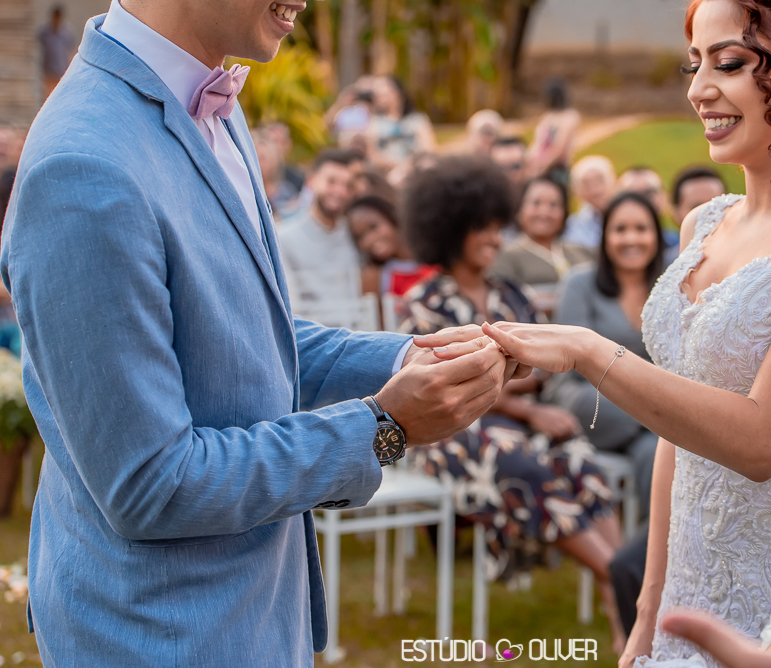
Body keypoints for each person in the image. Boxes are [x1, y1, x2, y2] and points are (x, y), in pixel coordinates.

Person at [423, 1, 771, 666]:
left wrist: (590, 350)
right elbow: (680, 427)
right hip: (687, 580)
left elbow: (763, 440)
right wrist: (650, 609)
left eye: (730, 63)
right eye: (695, 62)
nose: (698, 87)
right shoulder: (707, 224)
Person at [0, 1, 514, 664]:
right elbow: (151, 484)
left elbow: (247, 342)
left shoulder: (215, 102)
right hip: (161, 637)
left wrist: (419, 355)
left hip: (258, 616)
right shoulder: (83, 167)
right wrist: (384, 426)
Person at [397, 156, 627, 651]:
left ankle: (623, 576)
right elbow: (436, 385)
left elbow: (540, 371)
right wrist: (518, 398)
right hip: (443, 435)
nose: (495, 240)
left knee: (574, 454)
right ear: (452, 230)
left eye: (497, 229)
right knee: (519, 459)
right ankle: (617, 583)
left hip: (502, 421)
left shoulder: (510, 295)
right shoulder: (426, 301)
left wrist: (499, 381)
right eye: (483, 230)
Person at [554, 192, 665, 516]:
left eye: (641, 228)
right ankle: (680, 422)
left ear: (656, 236)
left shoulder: (669, 286)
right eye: (620, 229)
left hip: (649, 414)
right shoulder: (579, 284)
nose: (631, 238)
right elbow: (575, 363)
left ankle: (647, 554)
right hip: (590, 397)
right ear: (605, 238)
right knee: (677, 425)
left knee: (655, 450)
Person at [278, 148, 364, 322]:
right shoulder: (284, 237)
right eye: (331, 181)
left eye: (347, 185)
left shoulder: (357, 235)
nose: (340, 191)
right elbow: (291, 308)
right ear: (311, 181)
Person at [492, 175, 592, 314]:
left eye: (553, 205)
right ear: (520, 209)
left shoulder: (581, 251)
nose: (544, 212)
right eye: (536, 203)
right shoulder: (505, 255)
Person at [346, 193, 436, 298]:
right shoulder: (374, 277)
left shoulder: (435, 254)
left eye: (373, 227)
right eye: (360, 236)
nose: (369, 240)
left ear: (391, 217)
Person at [367, 75, 436, 172]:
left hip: (416, 170)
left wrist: (412, 164)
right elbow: (373, 155)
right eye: (377, 95)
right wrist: (399, 166)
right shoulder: (373, 122)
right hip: (387, 172)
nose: (381, 98)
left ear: (398, 93)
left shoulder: (418, 120)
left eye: (385, 94)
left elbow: (429, 149)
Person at [526, 77, 580, 185]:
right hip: (538, 166)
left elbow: (559, 147)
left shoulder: (569, 117)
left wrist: (543, 167)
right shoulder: (547, 116)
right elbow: (538, 143)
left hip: (557, 168)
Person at [564, 155, 617, 249]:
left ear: (613, 182)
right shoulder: (573, 227)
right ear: (578, 193)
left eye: (600, 180)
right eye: (586, 184)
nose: (595, 190)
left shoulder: (631, 215)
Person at [37, 4, 76, 96]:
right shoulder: (45, 33)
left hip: (61, 69)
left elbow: (70, 50)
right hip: (49, 70)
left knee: (59, 94)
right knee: (48, 95)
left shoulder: (67, 34)